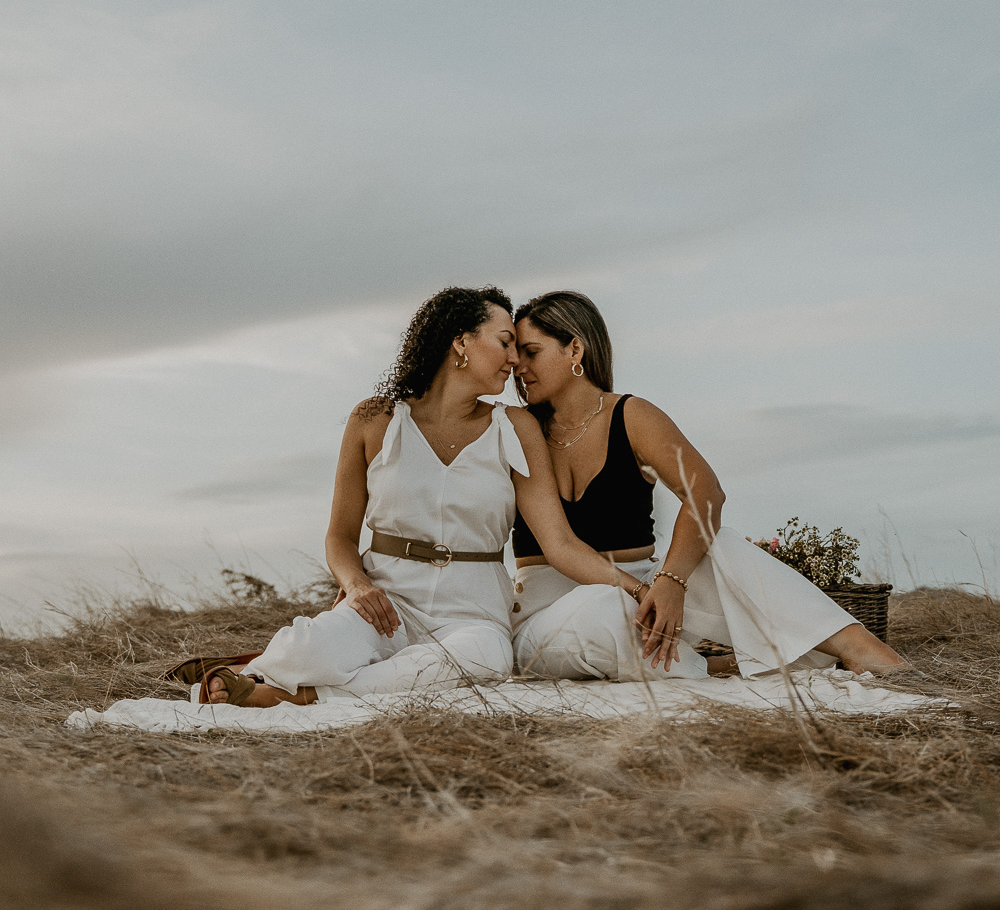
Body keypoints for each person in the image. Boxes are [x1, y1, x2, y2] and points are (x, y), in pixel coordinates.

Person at [196, 286, 658, 707]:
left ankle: (292, 695)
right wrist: (357, 586)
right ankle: (266, 676)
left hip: (473, 614)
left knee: (485, 660)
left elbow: (559, 544)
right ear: (461, 342)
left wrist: (641, 589)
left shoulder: (516, 429)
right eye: (504, 342)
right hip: (386, 599)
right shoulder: (374, 420)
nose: (515, 360)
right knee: (310, 645)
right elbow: (339, 535)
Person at [508, 290, 908, 682]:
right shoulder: (520, 429)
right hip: (552, 614)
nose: (518, 366)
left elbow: (706, 494)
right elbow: (560, 546)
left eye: (531, 352)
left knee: (725, 547)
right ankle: (711, 668)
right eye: (516, 354)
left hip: (645, 595)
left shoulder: (632, 415)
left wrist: (670, 581)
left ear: (574, 350)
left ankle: (859, 647)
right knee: (605, 613)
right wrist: (640, 592)